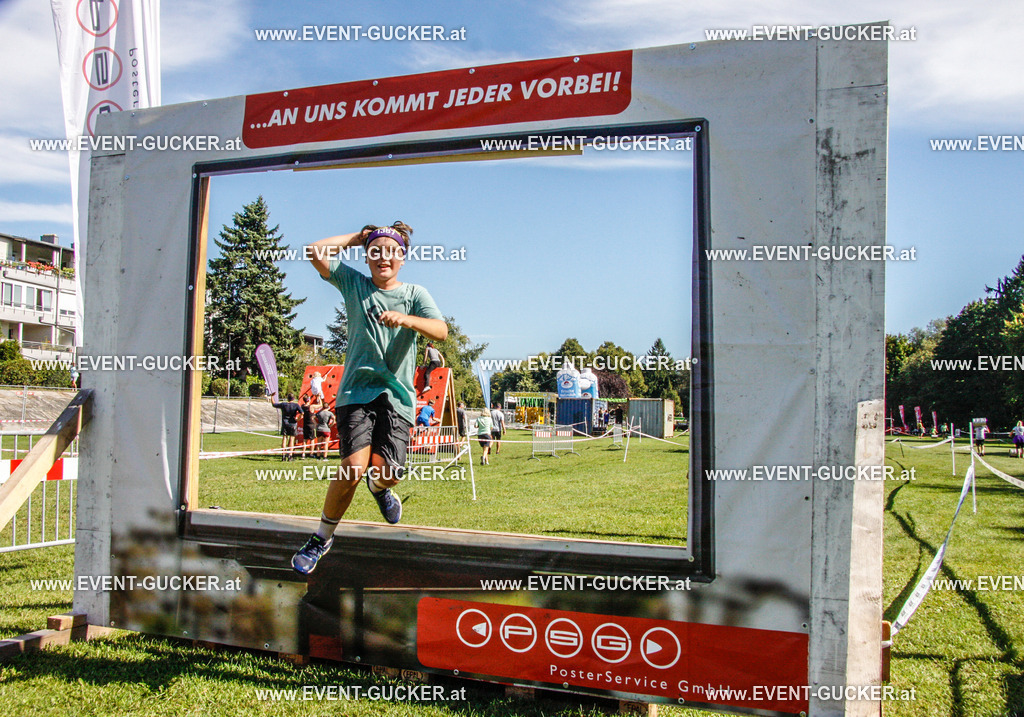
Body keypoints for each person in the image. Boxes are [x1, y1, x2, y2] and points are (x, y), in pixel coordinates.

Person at [291, 222, 447, 575]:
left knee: (388, 472)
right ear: (367, 257)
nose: (383, 257)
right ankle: (321, 537)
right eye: (375, 251)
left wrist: (407, 320)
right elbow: (315, 250)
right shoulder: (355, 285)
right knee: (352, 467)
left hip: (398, 396)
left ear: (402, 258)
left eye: (390, 251)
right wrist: (358, 237)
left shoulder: (415, 295)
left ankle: (380, 489)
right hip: (355, 392)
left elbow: (441, 330)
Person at [270, 392, 301, 460]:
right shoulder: (296, 405)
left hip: (285, 423)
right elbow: (302, 413)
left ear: (287, 398)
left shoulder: (283, 404)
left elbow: (274, 404)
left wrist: (272, 396)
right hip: (293, 423)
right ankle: (290, 455)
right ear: (294, 398)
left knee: (284, 438)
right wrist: (298, 419)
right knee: (291, 439)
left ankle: (283, 455)